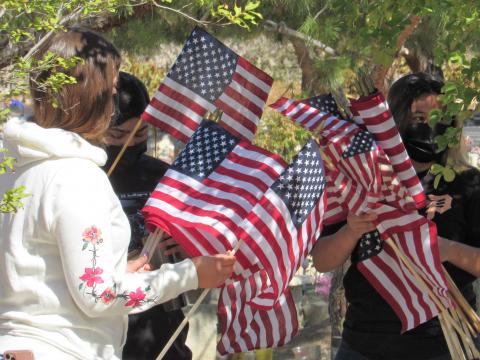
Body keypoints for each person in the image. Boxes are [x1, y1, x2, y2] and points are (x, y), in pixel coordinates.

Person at [0, 28, 235, 360]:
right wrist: (190, 274)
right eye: (110, 92)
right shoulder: (77, 178)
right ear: (89, 96)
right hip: (63, 349)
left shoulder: (12, 166)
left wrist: (120, 270)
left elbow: (43, 271)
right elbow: (99, 295)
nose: (113, 105)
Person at [311, 72, 480, 360]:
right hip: (364, 343)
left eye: (439, 118)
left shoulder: (467, 182)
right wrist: (351, 231)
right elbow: (322, 259)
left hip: (445, 344)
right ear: (396, 119)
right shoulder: (363, 179)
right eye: (418, 118)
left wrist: (447, 250)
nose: (428, 127)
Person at [105, 71, 191, 360]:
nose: (129, 144)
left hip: (163, 321)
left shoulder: (161, 175)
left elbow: (190, 237)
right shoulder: (85, 177)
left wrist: (184, 245)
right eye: (118, 135)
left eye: (139, 134)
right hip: (109, 318)